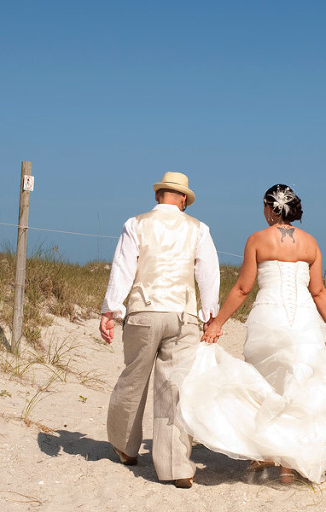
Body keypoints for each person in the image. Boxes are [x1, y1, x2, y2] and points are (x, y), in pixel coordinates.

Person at [179, 184, 326, 484]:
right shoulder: (310, 243)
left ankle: (268, 452)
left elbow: (243, 288)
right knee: (302, 385)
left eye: (263, 206)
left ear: (271, 208)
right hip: (304, 321)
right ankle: (286, 467)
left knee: (267, 384)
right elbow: (319, 291)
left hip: (269, 317)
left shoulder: (257, 240)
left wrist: (218, 322)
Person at [99, 171, 220, 489]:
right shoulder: (199, 228)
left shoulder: (135, 223)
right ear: (183, 200)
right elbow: (208, 273)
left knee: (133, 379)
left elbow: (123, 268)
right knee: (174, 389)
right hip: (182, 317)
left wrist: (111, 309)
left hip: (143, 312)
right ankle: (176, 467)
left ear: (158, 196)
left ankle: (126, 447)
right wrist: (210, 314)